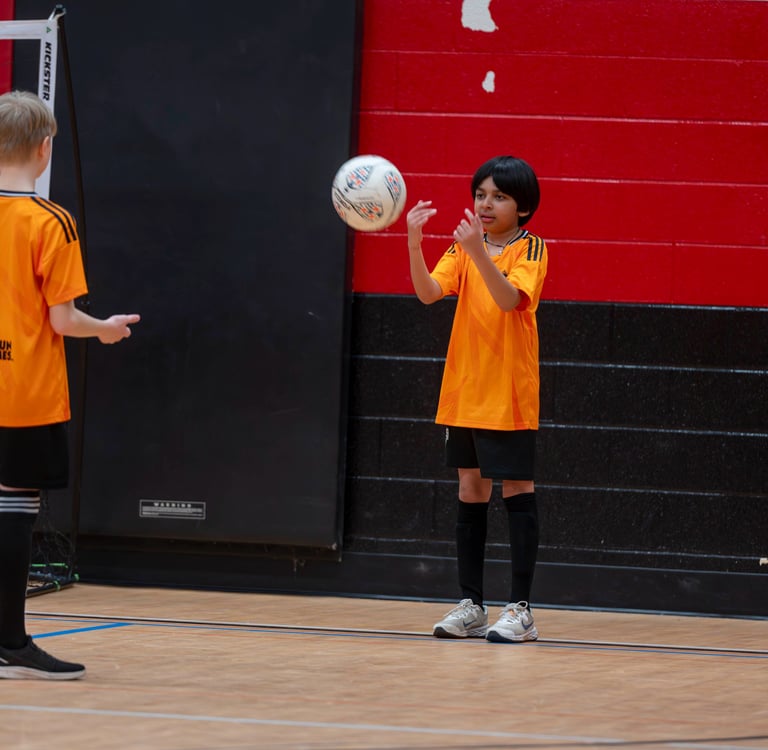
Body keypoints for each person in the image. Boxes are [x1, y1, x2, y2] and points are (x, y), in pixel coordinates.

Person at [0, 90, 140, 679]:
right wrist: (104, 329)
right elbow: (62, 319)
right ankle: (9, 641)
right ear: (44, 147)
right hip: (24, 393)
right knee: (14, 512)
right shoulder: (50, 222)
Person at [406, 155, 548, 643]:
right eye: (481, 195)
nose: (486, 204)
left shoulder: (532, 248)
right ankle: (472, 606)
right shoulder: (463, 246)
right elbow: (428, 293)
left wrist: (478, 253)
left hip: (508, 390)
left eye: (499, 197)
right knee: (470, 491)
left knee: (516, 489)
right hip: (465, 388)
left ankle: (521, 610)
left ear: (522, 207)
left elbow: (509, 299)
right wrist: (413, 243)